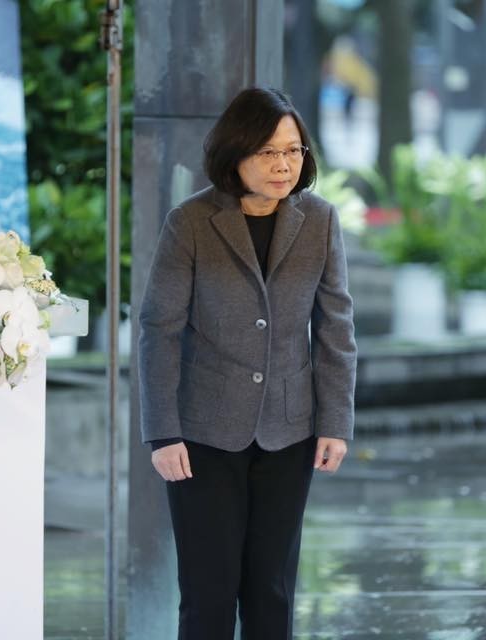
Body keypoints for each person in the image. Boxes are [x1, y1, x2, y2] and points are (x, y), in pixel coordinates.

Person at [138, 87, 358, 640]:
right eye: (268, 151)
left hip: (289, 431)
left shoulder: (320, 221)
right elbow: (159, 330)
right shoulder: (191, 222)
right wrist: (162, 433)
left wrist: (335, 422)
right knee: (208, 596)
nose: (284, 164)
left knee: (272, 593)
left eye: (294, 150)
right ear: (235, 153)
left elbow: (335, 327)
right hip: (203, 435)